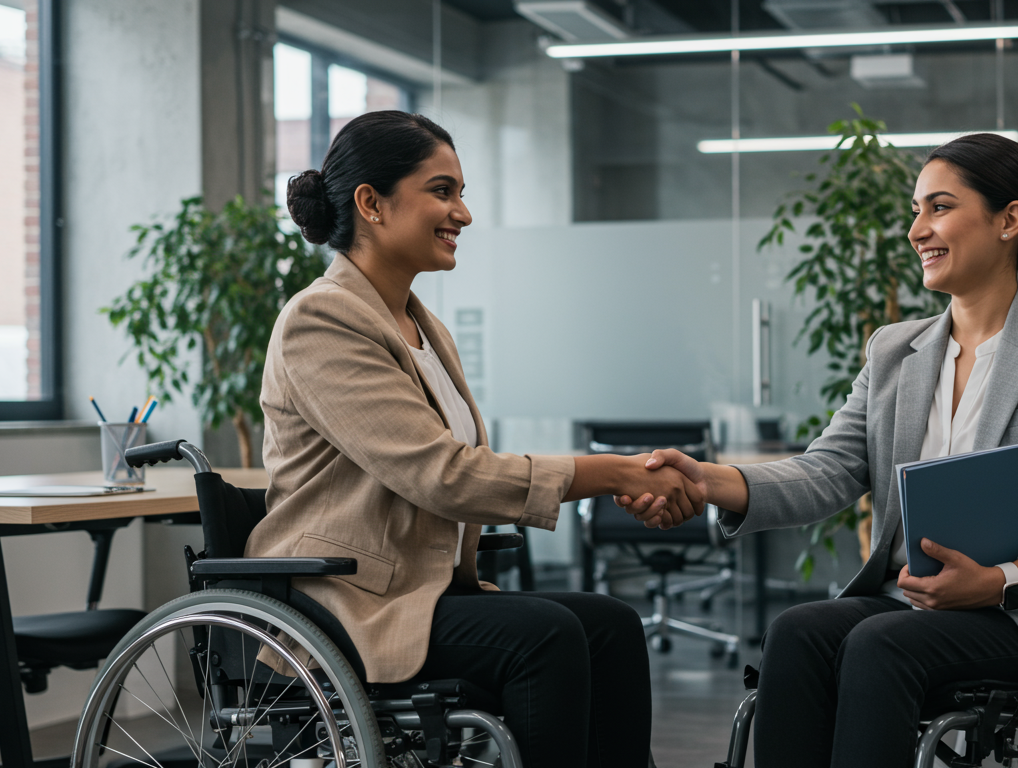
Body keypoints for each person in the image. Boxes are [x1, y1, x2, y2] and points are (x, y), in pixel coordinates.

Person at [621, 133, 1018, 767]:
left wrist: (999, 581)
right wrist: (708, 480)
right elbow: (829, 469)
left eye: (939, 208)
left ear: (1009, 220)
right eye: (915, 210)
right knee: (796, 631)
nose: (916, 230)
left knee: (878, 645)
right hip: (903, 601)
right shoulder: (894, 351)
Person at [245, 110, 701, 768]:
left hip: (421, 590)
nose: (462, 213)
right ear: (371, 203)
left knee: (611, 624)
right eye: (442, 191)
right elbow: (445, 475)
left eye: (461, 193)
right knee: (545, 636)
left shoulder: (422, 328)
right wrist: (613, 473)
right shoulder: (321, 319)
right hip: (350, 600)